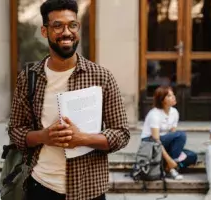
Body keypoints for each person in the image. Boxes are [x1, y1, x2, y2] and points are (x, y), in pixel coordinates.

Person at [8, 0, 130, 199]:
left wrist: (83, 139)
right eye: (57, 25)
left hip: (88, 189)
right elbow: (15, 131)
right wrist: (44, 136)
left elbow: (122, 134)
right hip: (41, 186)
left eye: (72, 25)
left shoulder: (102, 77)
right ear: (45, 31)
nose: (66, 32)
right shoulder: (28, 77)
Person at [140, 86, 187, 180]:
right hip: (150, 143)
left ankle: (167, 167)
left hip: (164, 141)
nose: (173, 97)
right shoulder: (154, 114)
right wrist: (169, 160)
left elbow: (173, 136)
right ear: (162, 100)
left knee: (191, 156)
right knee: (181, 135)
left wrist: (171, 157)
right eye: (169, 96)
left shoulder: (174, 112)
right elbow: (156, 140)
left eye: (173, 94)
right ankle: (171, 169)